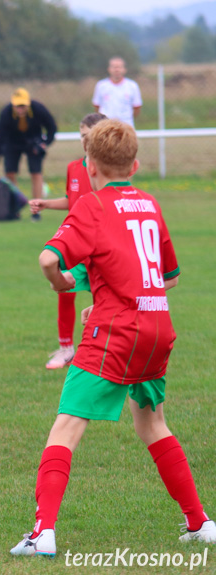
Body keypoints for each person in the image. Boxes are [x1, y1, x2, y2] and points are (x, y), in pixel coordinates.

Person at [11, 119, 215, 558]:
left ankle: (42, 532)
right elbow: (169, 278)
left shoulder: (91, 205)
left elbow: (50, 259)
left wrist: (61, 285)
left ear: (89, 165)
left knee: (66, 426)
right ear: (135, 164)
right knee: (153, 422)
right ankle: (201, 523)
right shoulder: (149, 203)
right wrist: (104, 296)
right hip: (158, 328)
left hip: (117, 333)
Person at [29, 113, 107, 369]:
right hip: (75, 242)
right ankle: (66, 349)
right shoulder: (74, 167)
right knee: (64, 290)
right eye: (82, 135)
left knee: (105, 295)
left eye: (89, 135)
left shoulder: (107, 169)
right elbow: (72, 200)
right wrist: (46, 204)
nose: (84, 140)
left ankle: (105, 347)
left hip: (100, 244)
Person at [0, 88, 57, 221]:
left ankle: (36, 211)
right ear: (13, 105)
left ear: (28, 104)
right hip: (12, 143)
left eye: (23, 106)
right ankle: (15, 208)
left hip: (33, 142)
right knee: (10, 174)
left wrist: (45, 142)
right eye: (17, 106)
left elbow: (52, 127)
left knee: (36, 173)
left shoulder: (38, 109)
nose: (20, 109)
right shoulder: (6, 113)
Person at [92, 57, 142, 128]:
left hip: (126, 126)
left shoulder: (132, 86)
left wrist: (125, 118)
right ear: (109, 69)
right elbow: (97, 106)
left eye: (119, 67)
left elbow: (137, 107)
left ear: (124, 69)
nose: (117, 70)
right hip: (106, 126)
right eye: (114, 67)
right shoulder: (101, 85)